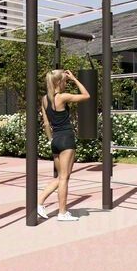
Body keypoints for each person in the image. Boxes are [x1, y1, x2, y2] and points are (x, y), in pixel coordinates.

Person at [37, 69, 90, 221]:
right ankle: (62, 213)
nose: (66, 83)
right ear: (59, 82)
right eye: (65, 81)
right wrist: (75, 79)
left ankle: (39, 202)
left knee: (61, 177)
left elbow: (46, 123)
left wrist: (50, 140)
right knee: (64, 178)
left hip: (55, 140)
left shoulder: (44, 100)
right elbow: (86, 95)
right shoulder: (62, 97)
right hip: (66, 139)